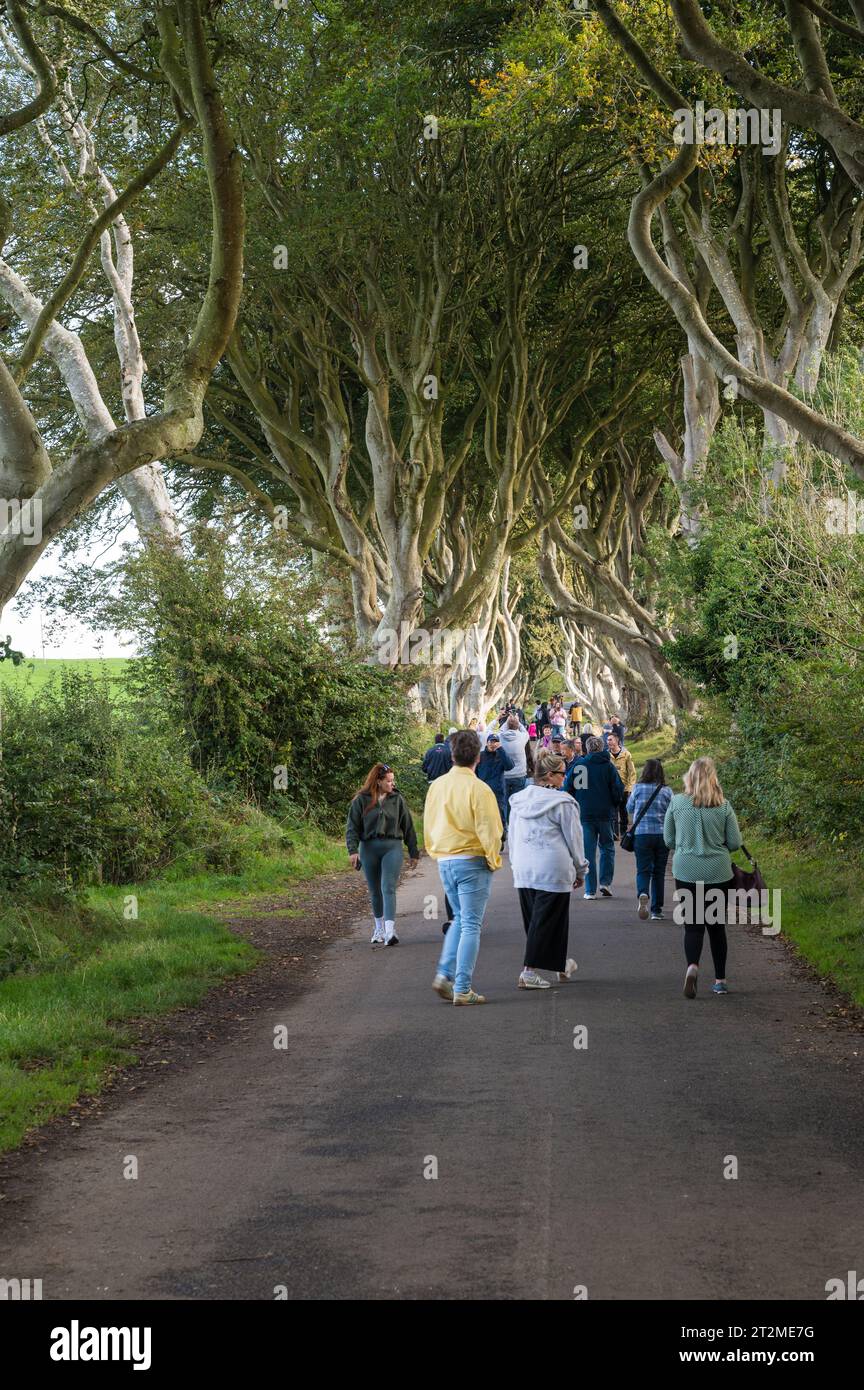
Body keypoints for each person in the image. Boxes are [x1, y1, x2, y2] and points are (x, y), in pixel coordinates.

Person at [425, 730, 503, 1005]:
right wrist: (493, 859)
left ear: (451, 755)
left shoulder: (437, 786)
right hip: (472, 859)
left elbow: (429, 821)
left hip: (445, 858)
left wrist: (435, 850)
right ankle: (463, 986)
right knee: (471, 923)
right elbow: (490, 829)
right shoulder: (480, 789)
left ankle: (444, 974)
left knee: (459, 918)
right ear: (478, 757)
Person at [508, 750, 588, 990]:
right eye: (562, 773)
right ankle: (528, 971)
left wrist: (514, 864)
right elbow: (575, 840)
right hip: (553, 868)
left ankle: (560, 965)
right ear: (550, 775)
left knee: (538, 921)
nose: (566, 778)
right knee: (548, 922)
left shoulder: (518, 800)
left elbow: (512, 836)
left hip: (524, 867)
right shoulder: (564, 803)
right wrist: (581, 870)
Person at [664, 757, 742, 998]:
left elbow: (668, 839)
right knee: (717, 928)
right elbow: (735, 842)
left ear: (689, 777)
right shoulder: (723, 806)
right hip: (718, 872)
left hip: (686, 870)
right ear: (712, 778)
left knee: (693, 927)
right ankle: (720, 980)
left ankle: (692, 967)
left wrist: (686, 845)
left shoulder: (677, 803)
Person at [347, 763, 419, 946]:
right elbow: (352, 827)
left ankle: (390, 931)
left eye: (393, 781)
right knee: (375, 891)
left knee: (388, 887)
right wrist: (353, 851)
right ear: (378, 781)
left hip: (392, 846)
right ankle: (378, 928)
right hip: (368, 848)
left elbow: (408, 827)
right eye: (388, 781)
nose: (392, 784)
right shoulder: (361, 800)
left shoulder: (397, 799)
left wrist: (413, 852)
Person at [564, 735, 625, 899]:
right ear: (602, 748)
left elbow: (567, 788)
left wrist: (575, 803)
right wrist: (614, 804)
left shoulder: (579, 765)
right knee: (607, 848)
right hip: (605, 814)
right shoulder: (609, 767)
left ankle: (590, 890)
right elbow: (618, 790)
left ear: (587, 748)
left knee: (588, 851)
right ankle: (605, 883)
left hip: (584, 813)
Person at [626, 759, 673, 921]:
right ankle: (656, 910)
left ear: (644, 771)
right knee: (659, 873)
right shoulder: (667, 791)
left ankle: (643, 893)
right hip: (662, 836)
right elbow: (672, 812)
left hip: (642, 835)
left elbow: (629, 808)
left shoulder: (637, 788)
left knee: (643, 870)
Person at [476, 731, 514, 828]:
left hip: (498, 792)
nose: (493, 744)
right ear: (487, 742)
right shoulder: (480, 755)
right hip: (483, 791)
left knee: (500, 815)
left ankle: (502, 834)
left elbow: (510, 766)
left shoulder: (501, 755)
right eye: (491, 741)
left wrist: (501, 749)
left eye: (495, 742)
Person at [499, 713, 531, 813]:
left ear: (506, 726)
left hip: (505, 774)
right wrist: (518, 721)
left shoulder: (500, 736)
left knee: (505, 801)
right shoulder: (522, 737)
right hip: (520, 774)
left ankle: (506, 825)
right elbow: (526, 732)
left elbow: (501, 729)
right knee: (518, 801)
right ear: (517, 725)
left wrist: (507, 721)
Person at [607, 731, 636, 839]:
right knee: (613, 811)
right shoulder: (606, 755)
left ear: (617, 741)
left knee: (623, 811)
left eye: (610, 739)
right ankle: (615, 833)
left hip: (623, 788)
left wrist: (630, 787)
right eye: (607, 740)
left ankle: (623, 831)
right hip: (611, 789)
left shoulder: (626, 754)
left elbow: (632, 772)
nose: (608, 742)